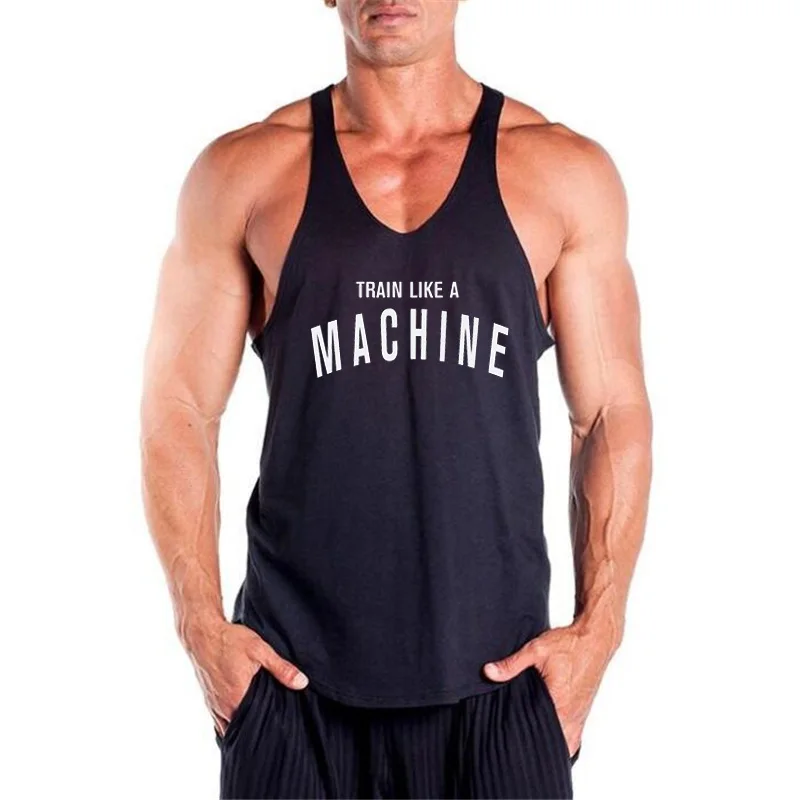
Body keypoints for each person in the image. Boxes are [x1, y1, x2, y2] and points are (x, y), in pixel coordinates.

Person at [140, 1, 652, 797]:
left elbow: (610, 413)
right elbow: (178, 407)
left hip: (501, 682)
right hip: (291, 687)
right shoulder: (246, 173)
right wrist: (201, 627)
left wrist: (599, 632)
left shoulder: (560, 172)